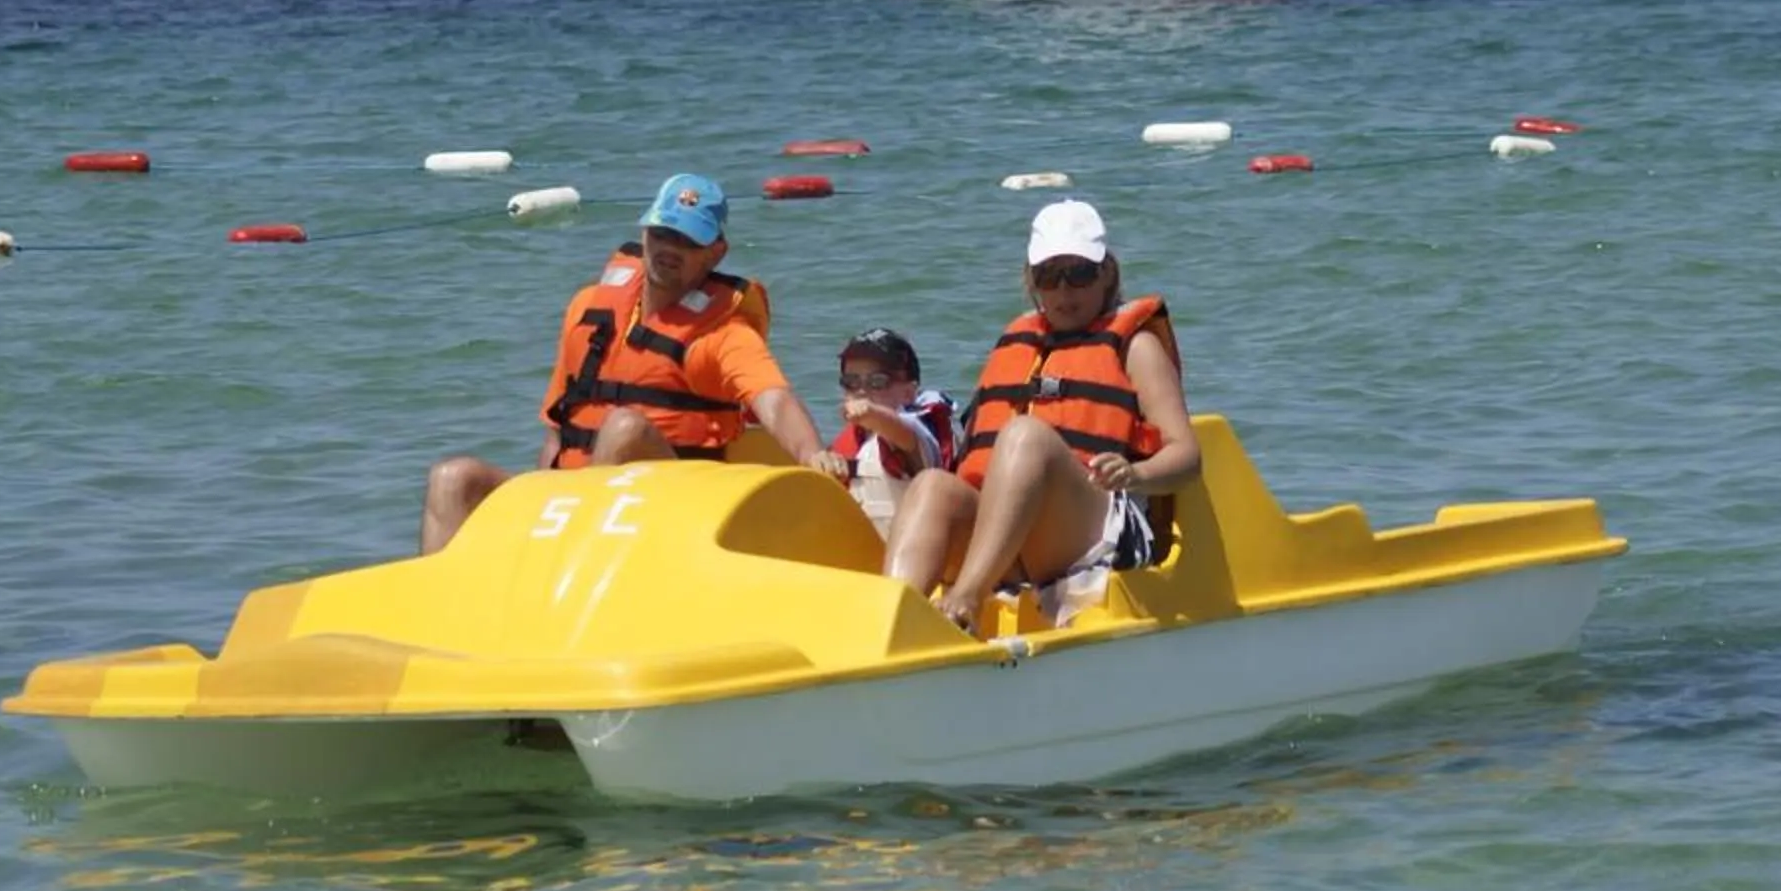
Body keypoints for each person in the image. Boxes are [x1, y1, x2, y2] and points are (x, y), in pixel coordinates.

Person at [419, 171, 846, 550]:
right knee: (453, 478)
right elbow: (559, 427)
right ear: (644, 234)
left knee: (625, 429)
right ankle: (439, 600)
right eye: (662, 233)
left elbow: (773, 399)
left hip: (671, 503)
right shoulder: (588, 309)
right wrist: (547, 497)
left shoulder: (722, 334)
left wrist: (813, 454)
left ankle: (577, 564)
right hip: (572, 502)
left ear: (715, 253)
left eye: (687, 242)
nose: (669, 249)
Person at [882, 199, 1201, 631]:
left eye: (1080, 273)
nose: (1065, 292)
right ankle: (891, 623)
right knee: (932, 486)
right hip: (1011, 541)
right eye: (1050, 277)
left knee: (1025, 436)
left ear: (1107, 273)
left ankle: (967, 601)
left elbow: (1187, 456)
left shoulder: (1136, 347)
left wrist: (1135, 474)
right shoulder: (1020, 342)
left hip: (1096, 534)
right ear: (1031, 280)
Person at [830, 328, 960, 532]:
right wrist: (824, 462)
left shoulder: (918, 428)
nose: (861, 391)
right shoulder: (853, 440)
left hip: (915, 545)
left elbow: (903, 434)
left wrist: (872, 414)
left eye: (877, 382)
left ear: (909, 393)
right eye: (851, 382)